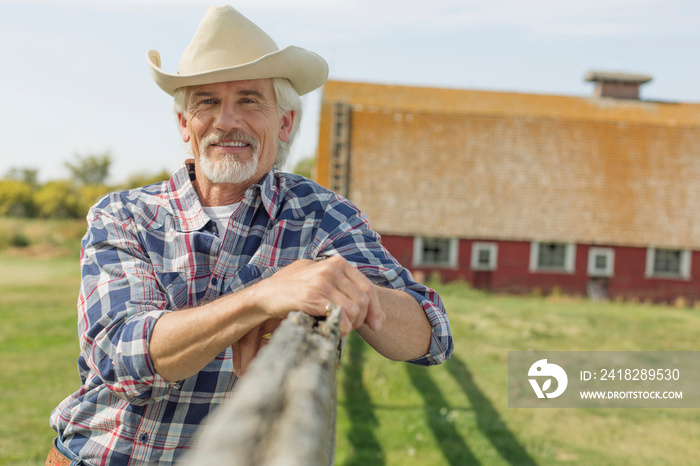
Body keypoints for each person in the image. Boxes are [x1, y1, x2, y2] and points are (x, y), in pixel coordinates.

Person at [48, 5, 452, 465]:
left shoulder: (321, 217)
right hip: (96, 457)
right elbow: (123, 359)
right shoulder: (124, 215)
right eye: (205, 102)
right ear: (184, 124)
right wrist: (265, 298)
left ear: (285, 123)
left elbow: (431, 334)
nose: (226, 121)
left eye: (249, 100)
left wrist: (343, 293)